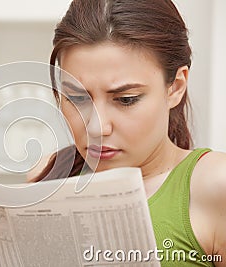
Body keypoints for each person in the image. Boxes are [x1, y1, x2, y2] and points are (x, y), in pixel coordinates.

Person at [29, 0, 226, 266]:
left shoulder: (213, 185)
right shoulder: (49, 174)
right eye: (76, 98)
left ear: (175, 87)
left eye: (126, 99)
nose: (97, 128)